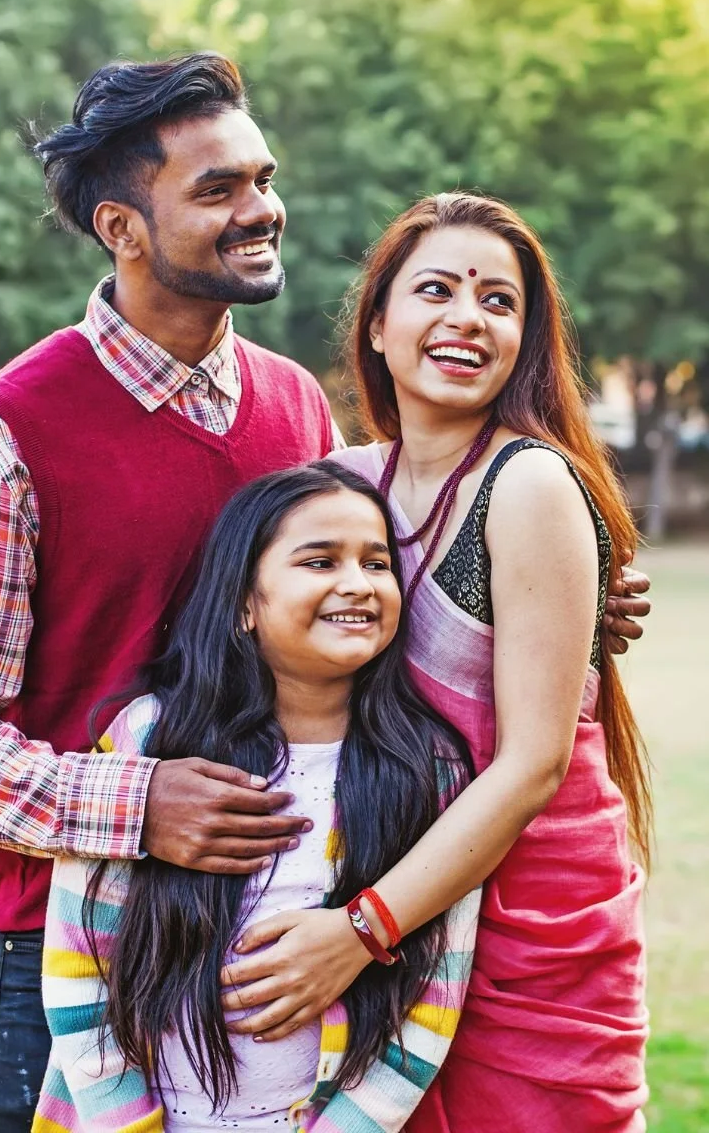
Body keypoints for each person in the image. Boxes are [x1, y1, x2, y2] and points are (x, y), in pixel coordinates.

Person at [0, 50, 650, 1130]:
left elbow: (367, 597)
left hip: (318, 936)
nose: (261, 211)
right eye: (218, 190)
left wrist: (564, 599)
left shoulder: (296, 412)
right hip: (89, 950)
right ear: (121, 228)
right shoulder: (5, 435)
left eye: (263, 179)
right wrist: (140, 805)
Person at [219, 193, 650, 1131]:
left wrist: (359, 931)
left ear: (525, 339)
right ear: (378, 324)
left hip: (523, 918)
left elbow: (534, 765)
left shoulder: (529, 483)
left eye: (499, 301)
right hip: (397, 885)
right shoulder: (348, 487)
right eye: (437, 290)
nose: (468, 317)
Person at [34, 462, 481, 1133]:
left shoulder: (431, 771)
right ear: (245, 602)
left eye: (377, 563)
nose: (356, 584)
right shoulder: (151, 741)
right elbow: (80, 971)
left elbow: (431, 1002)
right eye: (320, 561)